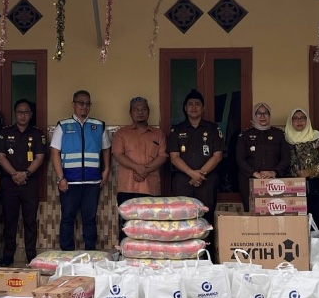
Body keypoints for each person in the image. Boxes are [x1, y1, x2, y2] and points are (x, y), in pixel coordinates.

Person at [50, 90, 111, 252]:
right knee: (68, 219)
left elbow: (106, 149)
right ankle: (67, 253)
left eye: (87, 103)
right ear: (73, 104)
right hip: (69, 182)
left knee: (90, 219)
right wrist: (60, 177)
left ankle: (90, 252)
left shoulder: (98, 125)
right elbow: (54, 152)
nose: (84, 106)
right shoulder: (63, 125)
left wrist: (106, 170)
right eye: (81, 103)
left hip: (92, 182)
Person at [168, 89, 224, 246]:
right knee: (182, 218)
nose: (194, 107)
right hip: (182, 181)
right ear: (185, 108)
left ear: (203, 108)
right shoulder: (177, 130)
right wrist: (192, 174)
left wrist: (200, 175)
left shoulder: (213, 129)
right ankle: (184, 252)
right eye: (190, 104)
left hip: (207, 181)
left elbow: (217, 156)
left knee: (206, 218)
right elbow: (174, 157)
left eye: (197, 104)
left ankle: (207, 257)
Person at [0, 99, 47, 266]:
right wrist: (14, 174)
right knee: (10, 220)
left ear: (30, 115)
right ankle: (8, 254)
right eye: (19, 112)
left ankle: (31, 255)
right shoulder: (4, 133)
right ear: (15, 114)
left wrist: (26, 173)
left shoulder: (38, 134)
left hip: (30, 182)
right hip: (9, 183)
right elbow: (0, 156)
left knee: (30, 220)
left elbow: (40, 157)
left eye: (26, 112)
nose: (23, 115)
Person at [111, 96, 168, 242]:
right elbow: (118, 154)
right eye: (136, 110)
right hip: (127, 187)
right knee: (127, 227)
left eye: (143, 109)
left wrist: (145, 170)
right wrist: (138, 168)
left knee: (151, 227)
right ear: (130, 113)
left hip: (151, 187)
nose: (140, 112)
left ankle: (150, 257)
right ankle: (125, 255)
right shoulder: (121, 133)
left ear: (148, 112)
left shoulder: (158, 133)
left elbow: (162, 156)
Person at [235, 102, 291, 210]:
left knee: (273, 213)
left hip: (274, 182)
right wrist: (255, 174)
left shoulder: (278, 134)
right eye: (259, 113)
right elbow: (240, 159)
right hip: (250, 182)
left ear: (269, 116)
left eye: (266, 113)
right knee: (252, 213)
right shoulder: (245, 136)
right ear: (254, 116)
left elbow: (286, 157)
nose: (262, 116)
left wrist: (274, 172)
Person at [285, 107, 319, 229]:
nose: (299, 121)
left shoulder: (316, 137)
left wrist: (309, 172)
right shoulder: (285, 139)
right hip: (291, 187)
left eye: (302, 118)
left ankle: (313, 247)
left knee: (313, 221)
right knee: (294, 223)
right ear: (291, 121)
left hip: (314, 185)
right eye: (295, 118)